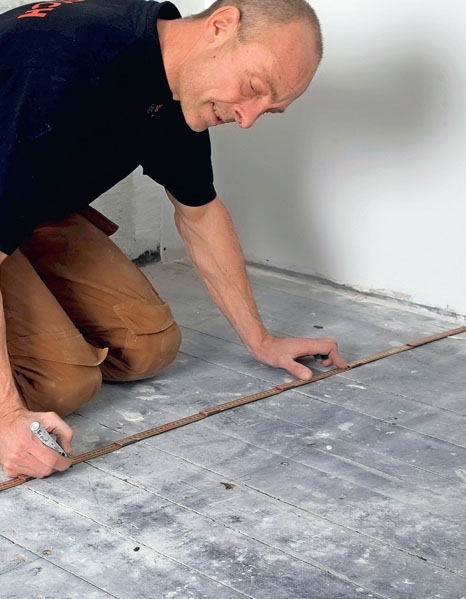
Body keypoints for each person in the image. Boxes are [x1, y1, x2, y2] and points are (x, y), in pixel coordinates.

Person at [0, 0, 346, 480]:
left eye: (269, 110)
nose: (247, 118)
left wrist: (261, 340)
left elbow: (200, 214)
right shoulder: (63, 67)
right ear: (220, 26)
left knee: (148, 345)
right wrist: (7, 416)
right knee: (62, 383)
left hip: (24, 208)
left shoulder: (175, 83)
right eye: (253, 89)